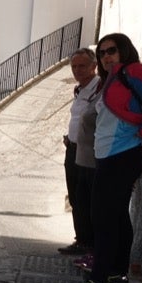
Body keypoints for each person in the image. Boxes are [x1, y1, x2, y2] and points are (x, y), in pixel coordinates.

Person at [65, 33, 142, 283]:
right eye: (102, 52)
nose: (106, 56)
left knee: (102, 217)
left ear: (124, 51)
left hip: (124, 153)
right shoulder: (114, 78)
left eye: (111, 51)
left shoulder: (132, 72)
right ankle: (116, 271)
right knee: (115, 215)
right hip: (110, 154)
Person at [59, 49, 102, 256]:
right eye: (74, 66)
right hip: (73, 149)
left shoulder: (99, 89)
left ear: (94, 66)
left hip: (89, 152)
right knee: (75, 197)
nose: (77, 70)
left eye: (82, 66)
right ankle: (82, 240)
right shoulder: (80, 90)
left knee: (88, 199)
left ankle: (91, 243)